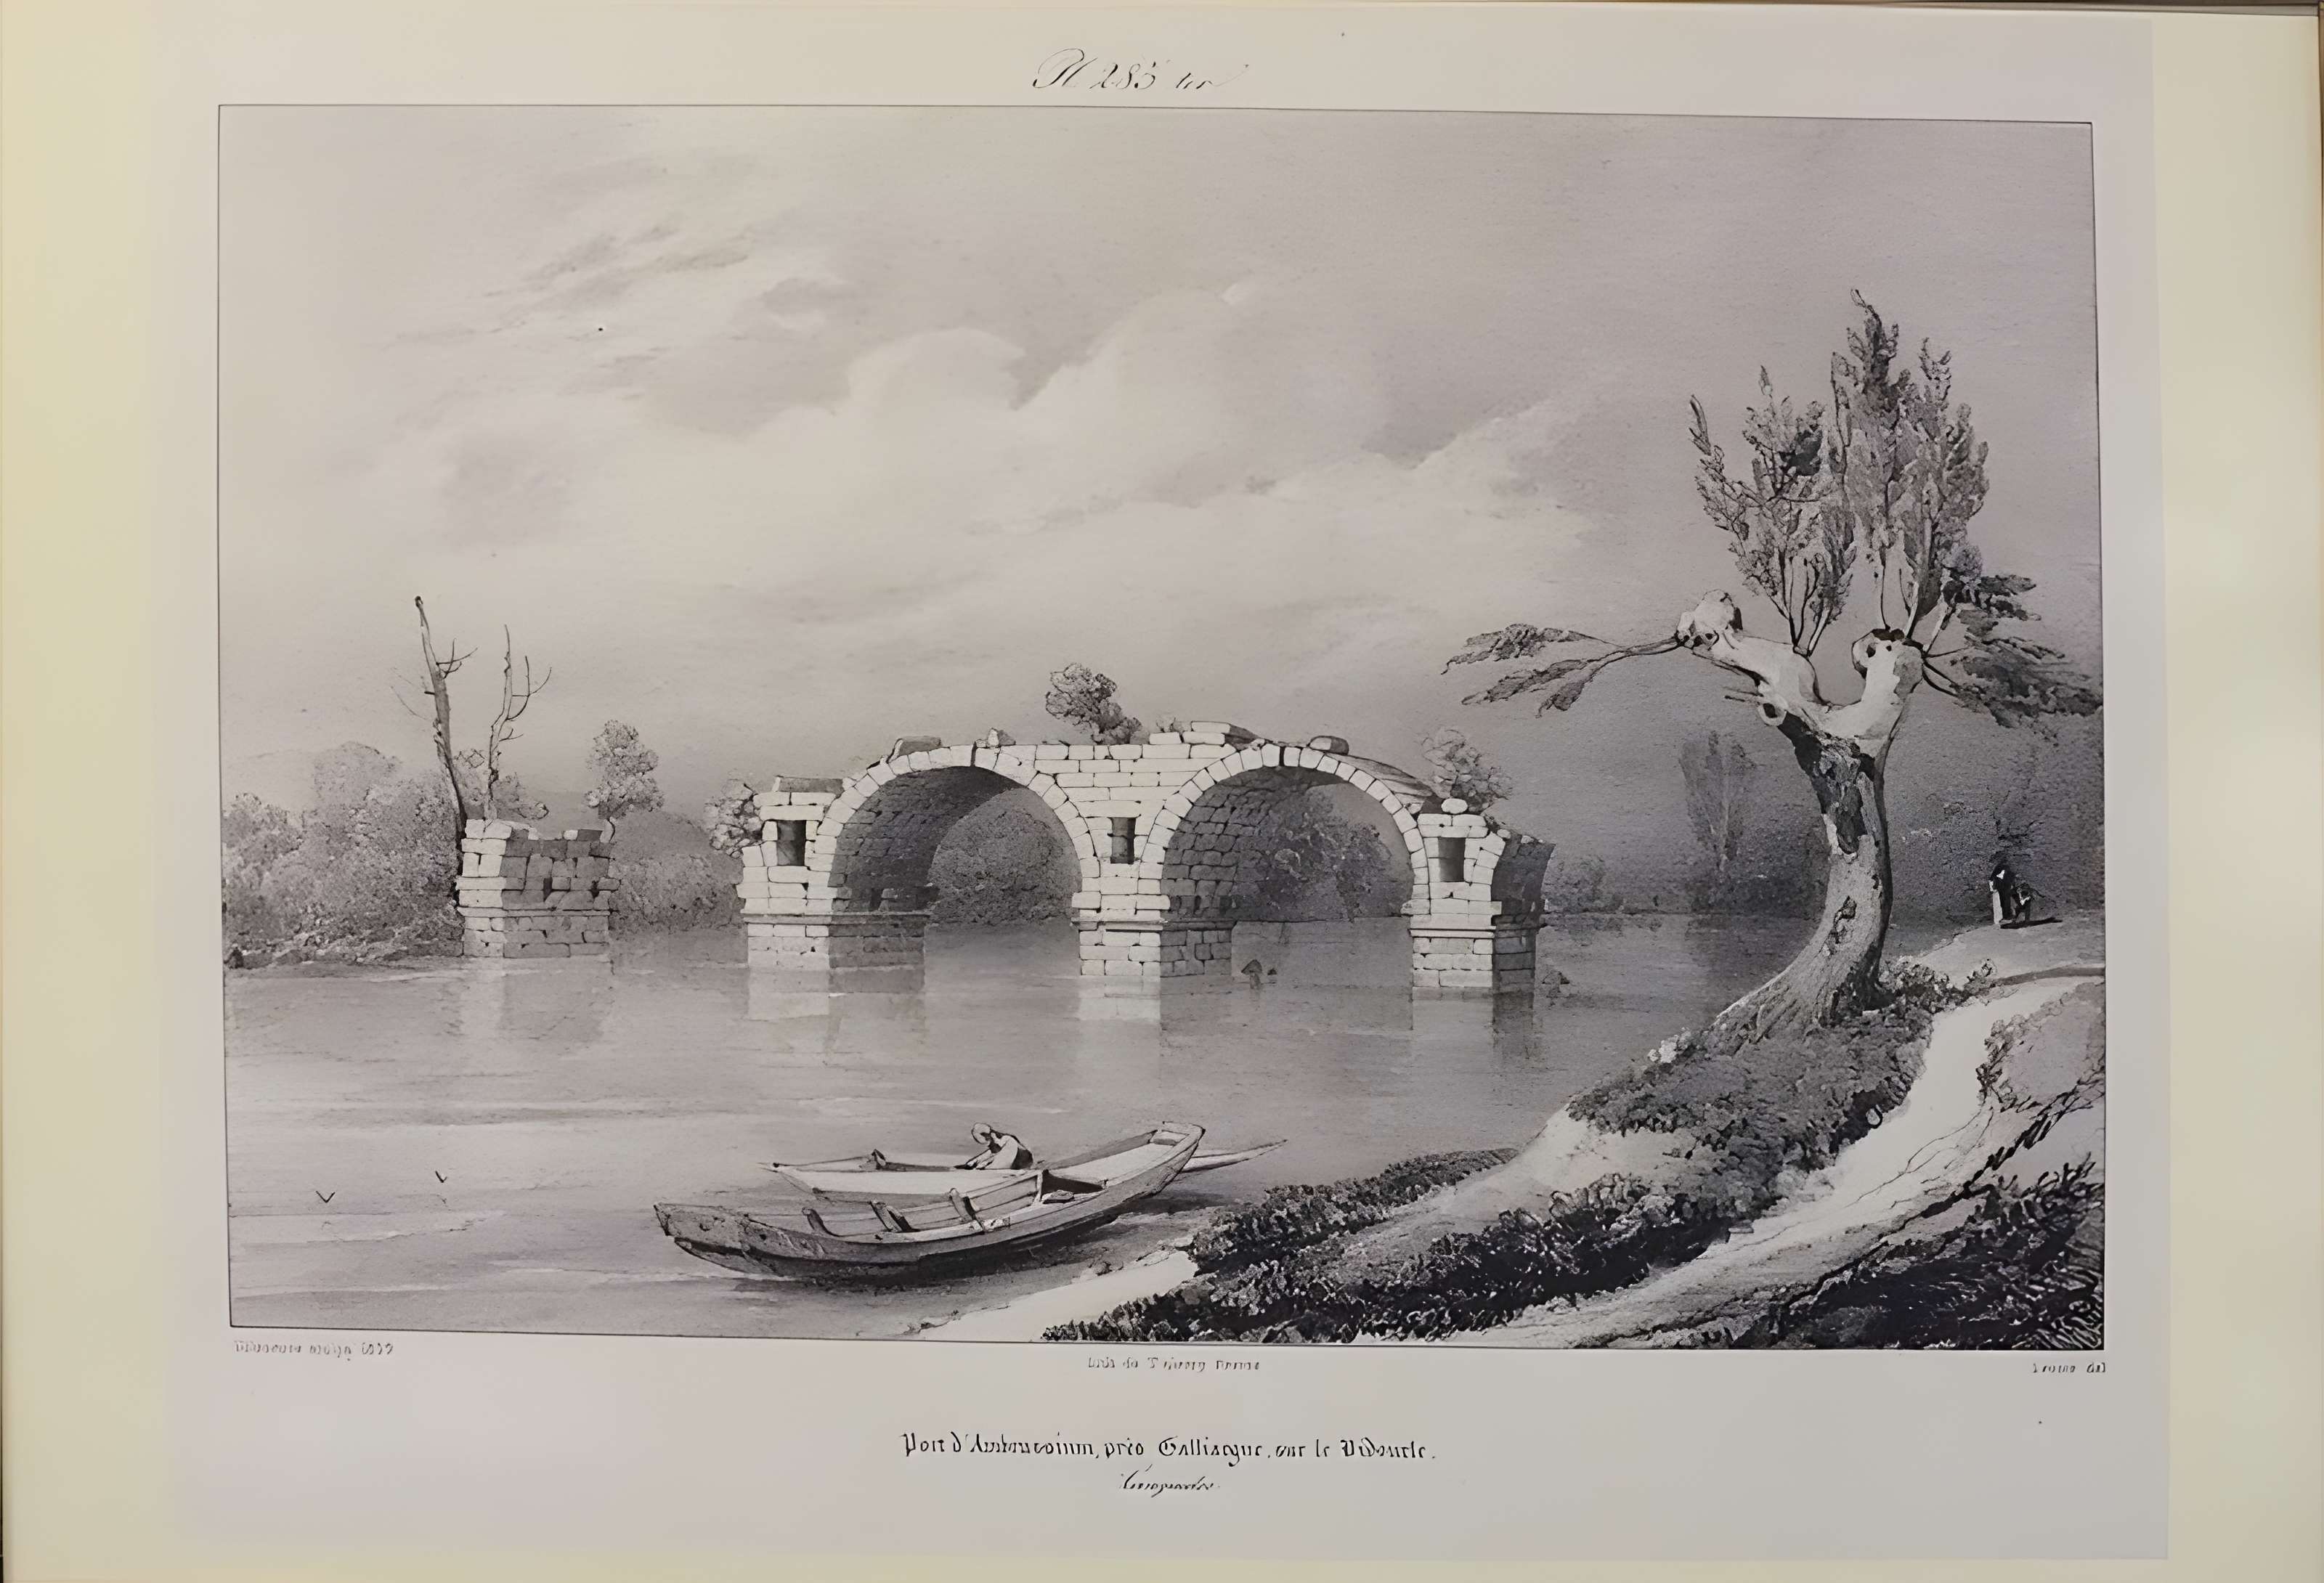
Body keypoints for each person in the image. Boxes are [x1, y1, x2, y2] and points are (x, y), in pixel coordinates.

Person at [963, 1123, 1033, 1171]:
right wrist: (975, 1161)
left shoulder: (1007, 1140)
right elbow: (991, 1153)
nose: (988, 1146)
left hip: (1022, 1164)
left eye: (987, 1142)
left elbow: (999, 1163)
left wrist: (982, 1165)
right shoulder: (999, 1143)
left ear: (990, 1137)